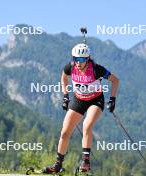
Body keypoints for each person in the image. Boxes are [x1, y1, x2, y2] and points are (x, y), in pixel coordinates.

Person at [43, 43, 119, 174]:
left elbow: (115, 80)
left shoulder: (96, 69)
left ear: (87, 59)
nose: (78, 62)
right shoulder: (70, 67)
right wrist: (66, 95)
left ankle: (85, 162)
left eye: (81, 59)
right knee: (64, 132)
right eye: (75, 59)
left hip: (96, 100)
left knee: (87, 125)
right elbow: (63, 78)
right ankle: (57, 165)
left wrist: (112, 99)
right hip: (79, 100)